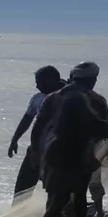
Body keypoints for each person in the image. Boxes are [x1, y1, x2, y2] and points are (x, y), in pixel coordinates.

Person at [28, 62, 108, 217]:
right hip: (68, 153)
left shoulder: (53, 97)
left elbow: (38, 127)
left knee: (65, 195)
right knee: (60, 199)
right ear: (92, 80)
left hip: (54, 151)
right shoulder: (82, 98)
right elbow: (96, 125)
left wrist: (36, 151)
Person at [9, 65, 63, 197]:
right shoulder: (37, 98)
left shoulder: (66, 97)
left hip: (59, 150)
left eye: (40, 82)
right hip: (36, 148)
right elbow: (26, 120)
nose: (37, 86)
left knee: (56, 186)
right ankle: (18, 208)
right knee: (23, 185)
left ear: (52, 80)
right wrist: (14, 140)